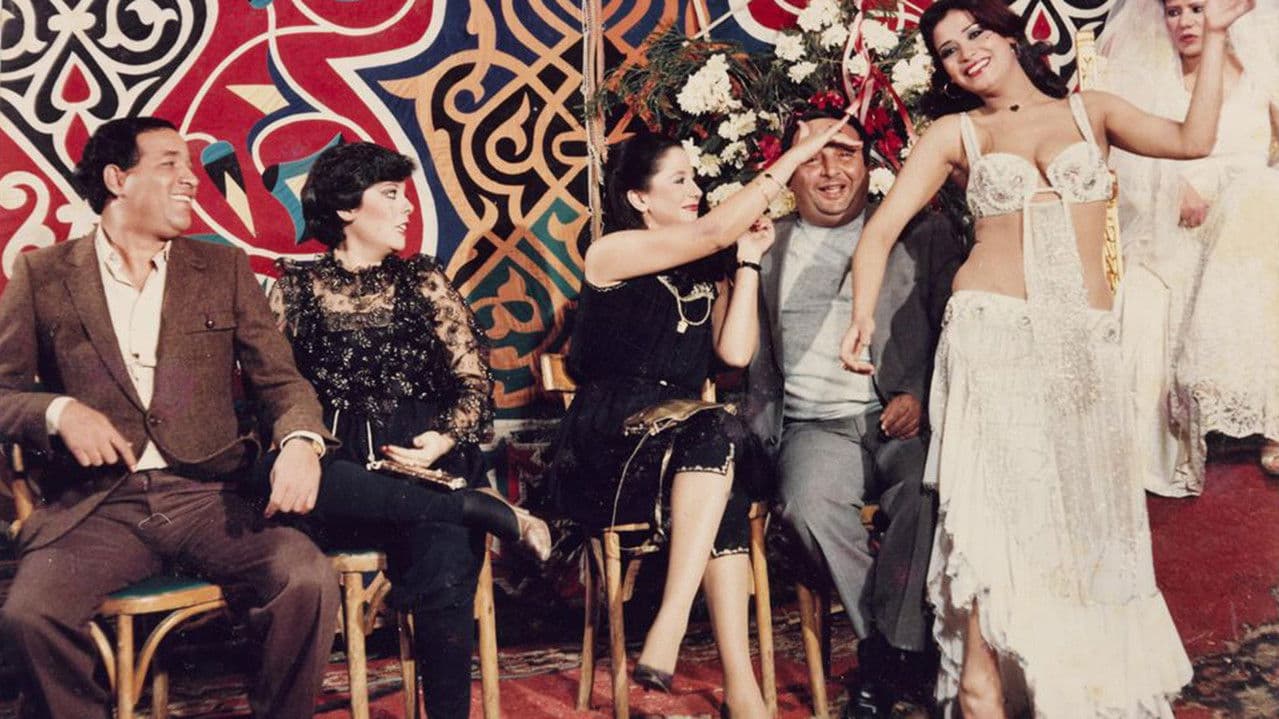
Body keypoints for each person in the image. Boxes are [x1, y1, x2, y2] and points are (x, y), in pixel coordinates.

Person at [839, 0, 1255, 714]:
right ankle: (978, 679)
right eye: (946, 50)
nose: (965, 53)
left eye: (974, 33)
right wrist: (860, 318)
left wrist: (1213, 37)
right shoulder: (956, 133)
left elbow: (1194, 139)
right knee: (992, 505)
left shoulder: (1092, 111)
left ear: (1010, 35)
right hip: (992, 335)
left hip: (1082, 344)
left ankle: (1074, 683)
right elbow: (878, 233)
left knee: (1084, 515)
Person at [0, 117, 340, 719]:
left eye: (189, 165)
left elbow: (282, 384)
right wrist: (56, 410)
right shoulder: (41, 274)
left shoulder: (224, 268)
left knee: (306, 580)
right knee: (31, 617)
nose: (191, 177)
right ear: (117, 179)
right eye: (170, 164)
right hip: (96, 506)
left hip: (209, 499)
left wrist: (299, 442)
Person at [549, 121, 852, 719]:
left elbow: (734, 353)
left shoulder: (705, 267)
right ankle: (673, 619)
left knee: (723, 462)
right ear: (639, 198)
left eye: (695, 179)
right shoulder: (611, 252)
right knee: (717, 437)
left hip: (688, 445)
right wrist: (794, 156)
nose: (695, 190)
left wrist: (748, 262)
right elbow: (713, 227)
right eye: (679, 180)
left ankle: (742, 690)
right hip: (611, 446)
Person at [266, 141, 551, 719]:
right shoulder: (292, 289)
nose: (407, 208)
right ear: (346, 208)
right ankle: (481, 508)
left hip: (425, 461)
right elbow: (272, 390)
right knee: (287, 511)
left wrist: (443, 438)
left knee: (443, 554)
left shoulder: (423, 280)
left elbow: (474, 382)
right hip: (338, 468)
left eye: (405, 195)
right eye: (391, 194)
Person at [744, 110, 964, 717]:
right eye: (812, 156)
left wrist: (920, 394)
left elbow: (958, 327)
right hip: (814, 426)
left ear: (868, 166)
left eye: (844, 152)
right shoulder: (765, 245)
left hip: (899, 418)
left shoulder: (919, 234)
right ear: (789, 173)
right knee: (806, 506)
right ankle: (898, 650)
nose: (830, 169)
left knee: (928, 490)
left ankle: (880, 663)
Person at [1100, 0, 1279, 493]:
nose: (1185, 23)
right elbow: (1116, 156)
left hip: (1253, 216)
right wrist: (1169, 186)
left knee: (1261, 199)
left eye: (1197, 9)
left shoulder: (1260, 67)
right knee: (1143, 295)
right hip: (1173, 217)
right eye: (1174, 11)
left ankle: (1273, 417)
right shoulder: (1146, 73)